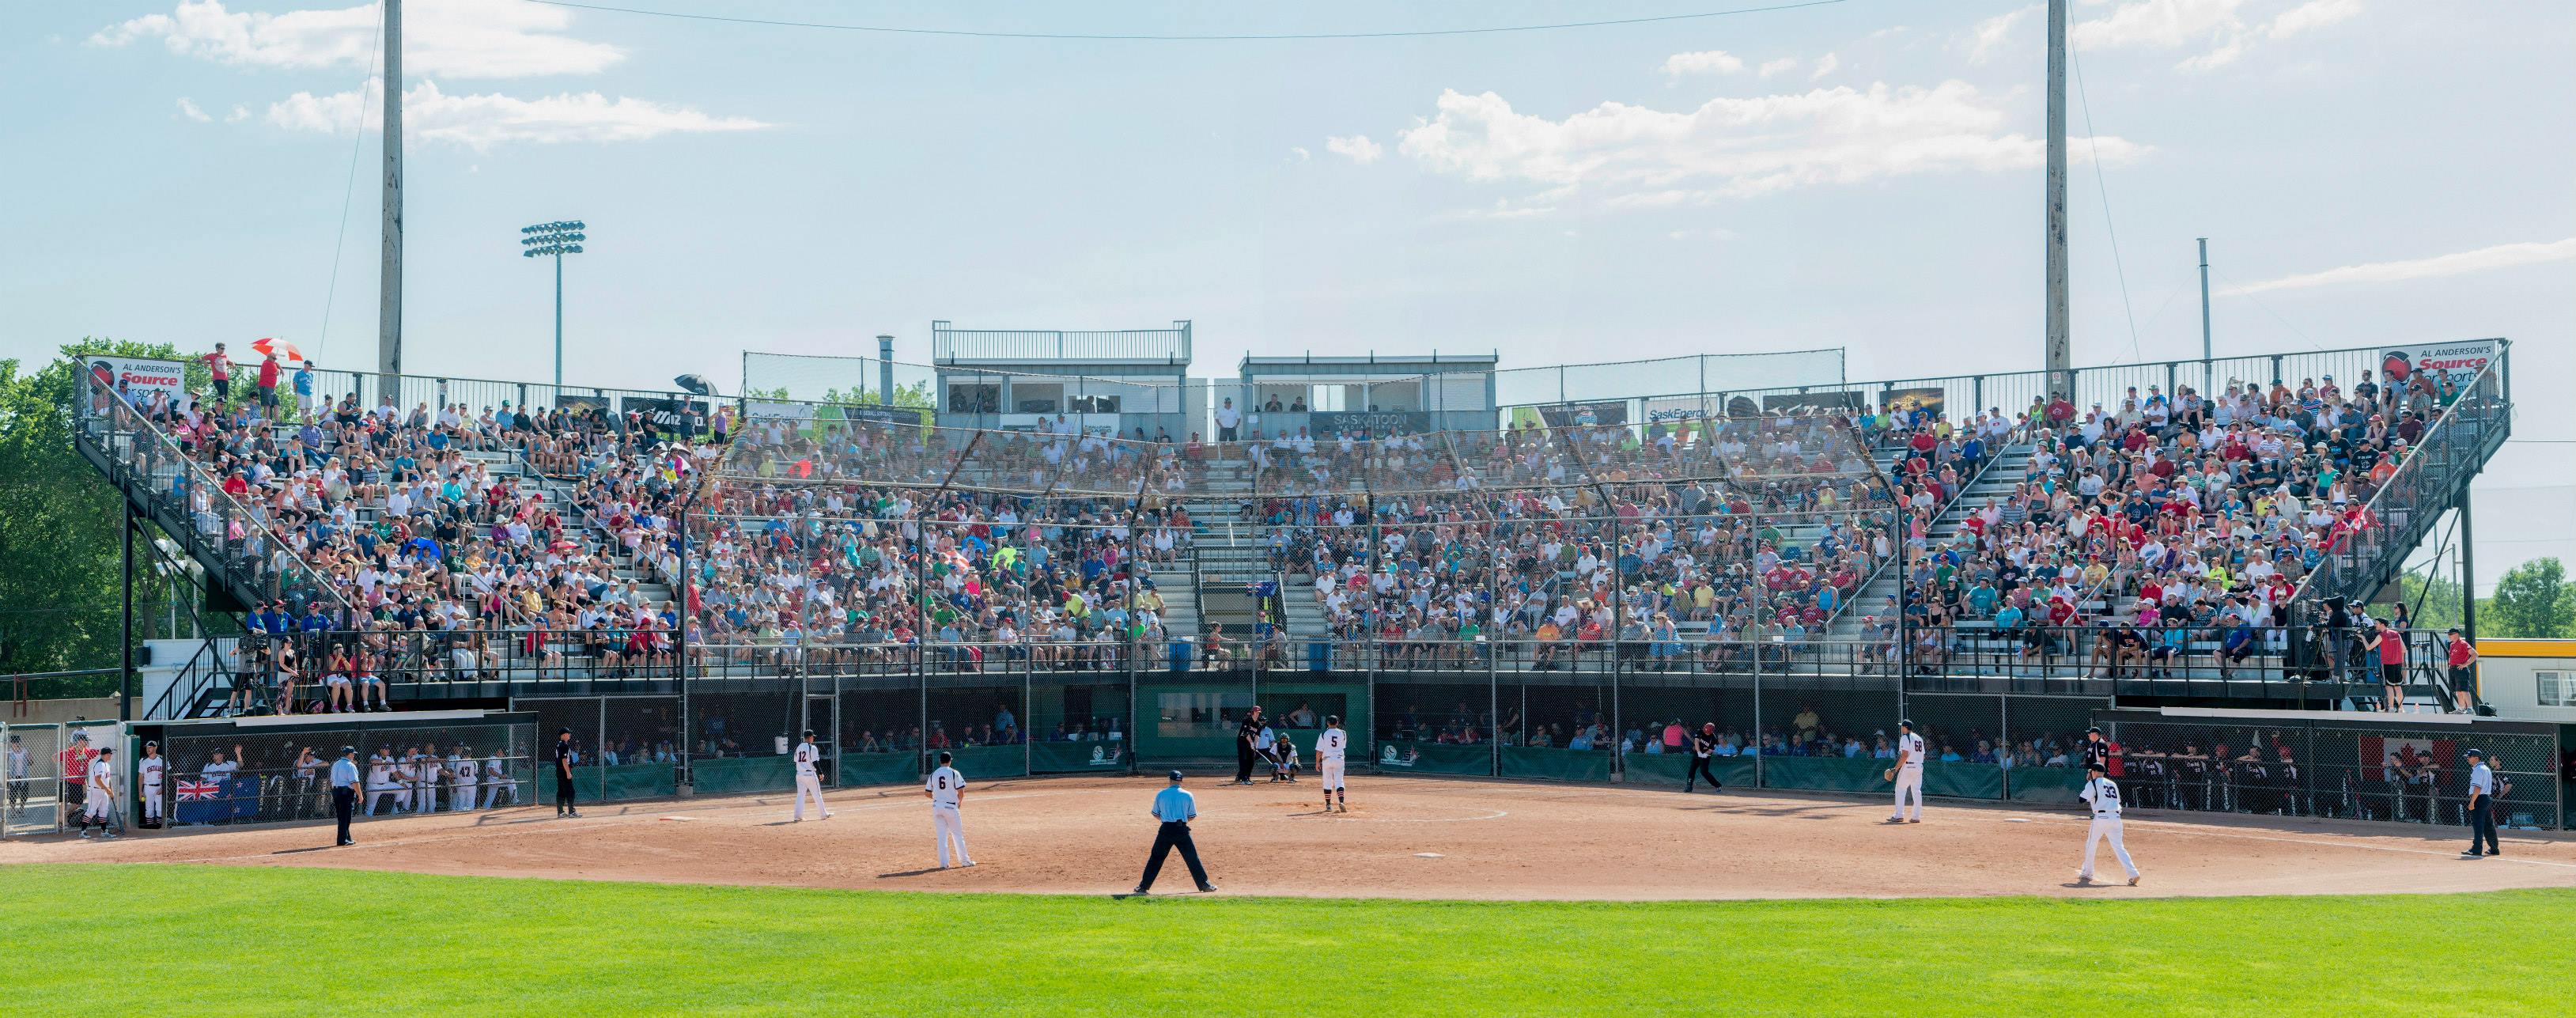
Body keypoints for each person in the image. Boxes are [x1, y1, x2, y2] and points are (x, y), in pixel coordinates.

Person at [1133, 770, 1215, 895]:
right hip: (1182, 830)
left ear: (1169, 780)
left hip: (1165, 830)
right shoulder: (1188, 795)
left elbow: (1156, 814)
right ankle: (1205, 885)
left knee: (1156, 858)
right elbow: (1192, 816)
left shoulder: (1161, 794)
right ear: (1181, 781)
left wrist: (1166, 820)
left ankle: (1143, 887)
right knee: (1192, 858)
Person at [2075, 762, 2140, 886]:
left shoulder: (2092, 783)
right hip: (2116, 818)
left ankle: (2088, 873)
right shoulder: (2113, 783)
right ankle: (2133, 873)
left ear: (2094, 772)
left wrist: (2089, 783)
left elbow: (2081, 800)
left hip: (2101, 818)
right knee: (2119, 847)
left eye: (2090, 772)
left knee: (2091, 844)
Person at [925, 750, 972, 868]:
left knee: (941, 836)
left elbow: (927, 793)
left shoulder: (934, 774)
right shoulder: (954, 773)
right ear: (950, 761)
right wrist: (959, 802)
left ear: (940, 761)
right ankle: (965, 861)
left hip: (937, 807)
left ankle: (944, 864)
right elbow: (961, 791)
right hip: (951, 807)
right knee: (957, 834)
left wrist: (938, 799)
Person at [2461, 748, 2500, 858]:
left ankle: (2476, 849)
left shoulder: (2478, 769)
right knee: (2489, 825)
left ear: (2476, 758)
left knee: (2478, 824)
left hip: (2479, 799)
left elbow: (2477, 788)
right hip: (2486, 799)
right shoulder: (2486, 768)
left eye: (2469, 757)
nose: (2468, 759)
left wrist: (2472, 802)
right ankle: (2494, 849)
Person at [1885, 719, 1925, 823]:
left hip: (1909, 766)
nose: (1901, 728)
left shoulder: (1905, 737)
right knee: (1917, 791)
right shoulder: (1919, 738)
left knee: (1900, 789)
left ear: (1905, 727)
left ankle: (1899, 815)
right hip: (1919, 766)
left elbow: (1905, 755)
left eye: (1902, 726)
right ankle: (1916, 817)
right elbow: (1923, 755)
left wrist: (1896, 769)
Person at [77, 746, 118, 839]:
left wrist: (111, 790)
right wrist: (107, 789)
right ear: (107, 755)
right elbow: (97, 779)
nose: (111, 756)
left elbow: (108, 779)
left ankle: (104, 831)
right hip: (95, 790)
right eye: (110, 754)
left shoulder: (107, 765)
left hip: (103, 790)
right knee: (91, 811)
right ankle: (83, 832)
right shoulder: (100, 764)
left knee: (104, 811)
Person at [792, 729, 831, 822]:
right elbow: (815, 762)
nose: (813, 738)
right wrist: (821, 773)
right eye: (812, 737)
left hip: (800, 775)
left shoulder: (799, 747)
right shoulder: (812, 748)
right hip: (810, 775)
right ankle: (823, 814)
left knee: (800, 795)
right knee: (817, 795)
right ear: (809, 738)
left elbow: (795, 761)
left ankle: (797, 816)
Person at [1316, 716, 1349, 813]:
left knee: (1327, 782)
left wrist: (1317, 762)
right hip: (1339, 759)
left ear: (1328, 723)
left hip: (1327, 759)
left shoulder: (1324, 733)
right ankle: (1341, 802)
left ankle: (1329, 805)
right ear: (1337, 723)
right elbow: (1343, 746)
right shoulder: (1343, 733)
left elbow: (1319, 751)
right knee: (1339, 781)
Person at [329, 745, 360, 846]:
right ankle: (342, 840)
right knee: (345, 817)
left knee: (342, 816)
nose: (354, 756)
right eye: (353, 754)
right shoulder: (350, 765)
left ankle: (347, 837)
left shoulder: (336, 764)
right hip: (345, 792)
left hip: (335, 791)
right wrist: (360, 795)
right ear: (350, 754)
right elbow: (355, 782)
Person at [2444, 628, 2480, 713]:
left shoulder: (2463, 643)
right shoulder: (2452, 644)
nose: (2448, 636)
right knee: (2458, 691)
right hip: (2453, 669)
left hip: (2461, 670)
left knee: (2464, 690)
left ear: (2456, 634)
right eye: (2448, 634)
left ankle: (2470, 709)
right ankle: (2461, 708)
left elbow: (2475, 654)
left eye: (2450, 634)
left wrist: (2465, 664)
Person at [1685, 722, 1723, 793]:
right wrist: (1699, 752)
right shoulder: (1700, 731)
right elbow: (1696, 742)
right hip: (1698, 752)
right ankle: (1689, 786)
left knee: (1704, 772)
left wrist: (1704, 754)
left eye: (1707, 732)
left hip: (1706, 755)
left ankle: (1718, 785)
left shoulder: (1714, 738)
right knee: (1692, 769)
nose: (1705, 732)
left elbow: (1711, 750)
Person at [552, 728, 581, 818]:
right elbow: (564, 760)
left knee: (561, 791)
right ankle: (572, 812)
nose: (570, 735)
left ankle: (560, 812)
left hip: (559, 770)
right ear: (564, 735)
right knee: (570, 791)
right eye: (568, 733)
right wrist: (568, 772)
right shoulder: (564, 745)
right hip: (564, 770)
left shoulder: (559, 744)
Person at [138, 741, 166, 830]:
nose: (148, 749)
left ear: (155, 748)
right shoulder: (143, 760)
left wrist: (163, 788)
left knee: (160, 809)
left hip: (159, 786)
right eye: (147, 747)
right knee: (149, 809)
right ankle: (150, 830)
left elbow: (167, 775)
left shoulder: (163, 759)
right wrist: (140, 791)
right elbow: (141, 776)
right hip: (148, 787)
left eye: (150, 747)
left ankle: (159, 829)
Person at [1235, 706, 1264, 785]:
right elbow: (1246, 733)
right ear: (1252, 712)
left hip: (1250, 743)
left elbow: (1257, 736)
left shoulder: (1259, 725)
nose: (1257, 714)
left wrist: (1255, 746)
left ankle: (1247, 777)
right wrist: (1251, 743)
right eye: (1256, 712)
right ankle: (1244, 779)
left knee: (1252, 761)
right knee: (1244, 760)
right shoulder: (1247, 720)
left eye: (1259, 713)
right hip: (1242, 742)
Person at [5, 734, 28, 819]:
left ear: (20, 742)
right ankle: (13, 811)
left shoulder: (25, 751)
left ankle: (22, 809)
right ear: (11, 743)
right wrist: (7, 774)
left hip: (24, 776)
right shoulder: (9, 752)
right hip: (13, 777)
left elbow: (31, 762)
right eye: (14, 742)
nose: (16, 744)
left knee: (24, 794)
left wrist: (30, 759)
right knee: (13, 794)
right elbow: (4, 764)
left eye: (17, 742)